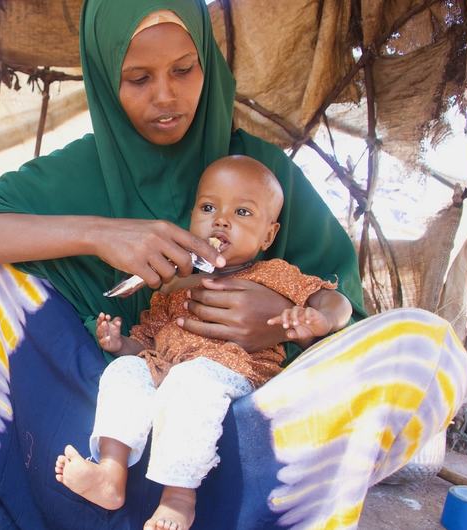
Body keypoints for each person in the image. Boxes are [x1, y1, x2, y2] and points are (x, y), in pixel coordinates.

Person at [0, 0, 467, 528]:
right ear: (105, 78)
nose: (166, 96)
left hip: (251, 431)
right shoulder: (79, 175)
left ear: (207, 63)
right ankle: (107, 487)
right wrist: (100, 235)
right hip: (104, 415)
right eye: (139, 79)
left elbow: (344, 309)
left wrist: (282, 319)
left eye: (184, 70)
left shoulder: (262, 174)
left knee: (427, 344)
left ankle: (240, 501)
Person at [54, 155, 352, 530]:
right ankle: (110, 474)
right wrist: (119, 345)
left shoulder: (273, 275)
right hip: (166, 368)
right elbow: (149, 347)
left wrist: (321, 318)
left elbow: (334, 300)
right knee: (126, 372)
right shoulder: (175, 284)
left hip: (230, 372)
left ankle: (179, 498)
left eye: (242, 212)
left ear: (268, 235)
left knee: (188, 382)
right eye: (209, 207)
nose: (221, 220)